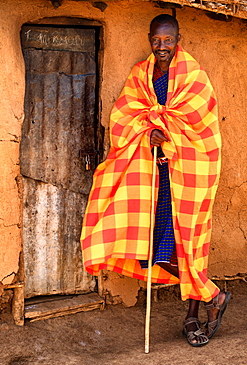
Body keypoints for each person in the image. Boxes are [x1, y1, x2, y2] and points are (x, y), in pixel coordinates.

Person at [81, 14, 230, 347]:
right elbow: (123, 115)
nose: (162, 47)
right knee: (159, 251)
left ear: (179, 39)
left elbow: (199, 125)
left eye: (168, 40)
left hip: (190, 173)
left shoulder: (195, 76)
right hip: (153, 177)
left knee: (187, 246)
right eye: (156, 40)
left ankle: (193, 317)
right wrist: (148, 130)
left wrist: (169, 133)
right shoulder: (140, 74)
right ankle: (214, 296)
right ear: (150, 39)